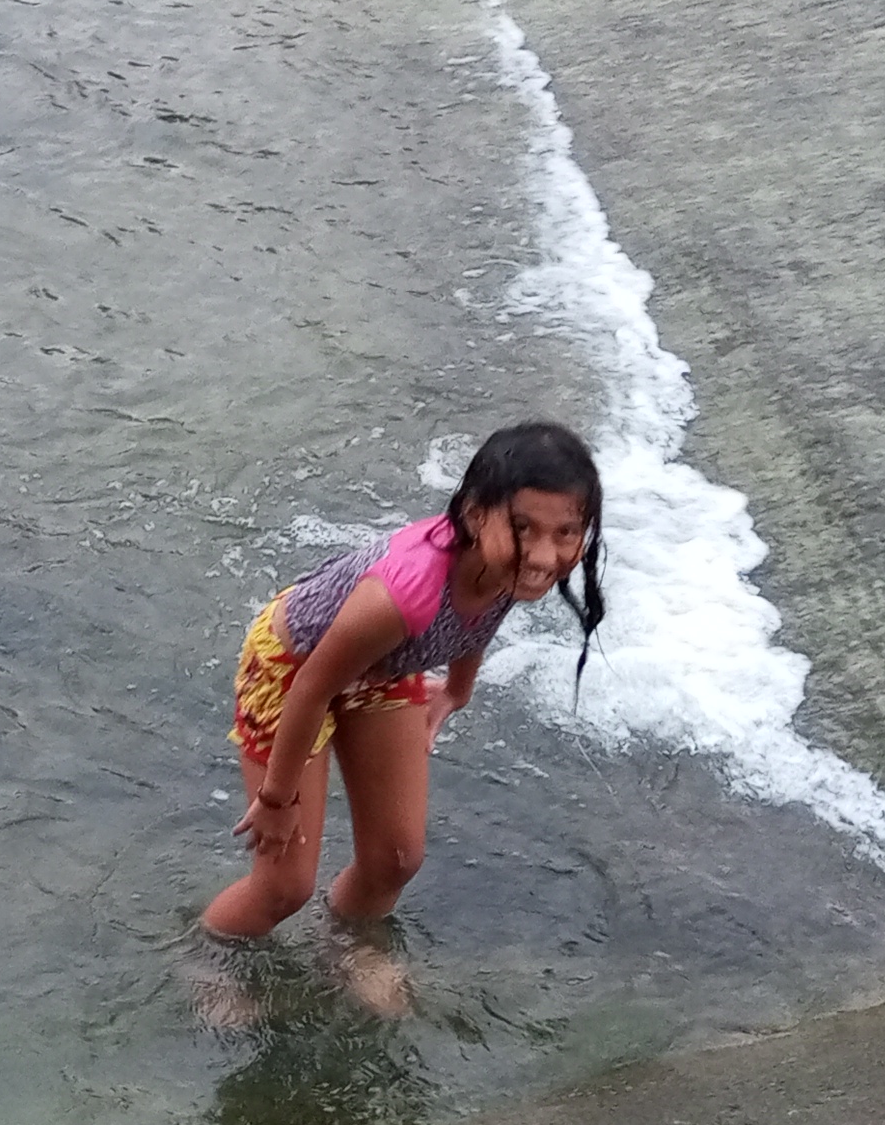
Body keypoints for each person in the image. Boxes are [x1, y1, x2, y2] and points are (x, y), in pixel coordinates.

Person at [197, 421, 606, 1022]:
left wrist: (457, 691)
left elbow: (478, 618)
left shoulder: (508, 566)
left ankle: (349, 945)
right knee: (284, 886)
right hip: (294, 670)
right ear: (474, 515)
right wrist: (277, 800)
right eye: (524, 528)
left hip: (383, 668)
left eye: (566, 532)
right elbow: (311, 689)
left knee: (396, 858)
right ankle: (207, 961)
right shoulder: (404, 592)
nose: (546, 555)